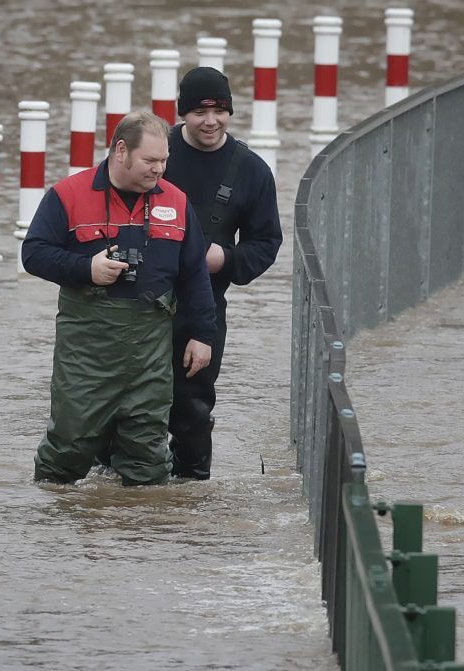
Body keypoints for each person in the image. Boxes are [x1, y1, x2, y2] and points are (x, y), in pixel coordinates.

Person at [22, 111, 217, 486]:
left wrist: (202, 335)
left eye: (164, 161)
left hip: (150, 352)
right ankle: (54, 535)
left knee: (148, 458)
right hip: (86, 351)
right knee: (68, 447)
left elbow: (194, 274)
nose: (159, 170)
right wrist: (86, 269)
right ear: (121, 151)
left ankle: (138, 536)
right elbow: (33, 254)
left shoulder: (175, 201)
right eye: (150, 161)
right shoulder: (68, 195)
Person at [159, 66, 283, 480]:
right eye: (199, 111)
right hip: (136, 300)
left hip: (204, 308)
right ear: (183, 114)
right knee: (124, 407)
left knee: (192, 410)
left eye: (220, 110)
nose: (210, 121)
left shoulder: (251, 170)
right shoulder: (157, 151)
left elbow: (266, 245)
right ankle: (124, 506)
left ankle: (191, 501)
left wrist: (222, 259)